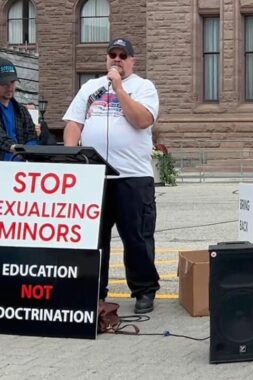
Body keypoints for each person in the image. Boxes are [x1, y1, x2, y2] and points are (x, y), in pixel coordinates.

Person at [63, 38, 160, 313]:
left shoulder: (143, 87)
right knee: (94, 238)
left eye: (122, 56)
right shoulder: (90, 87)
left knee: (137, 236)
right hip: (95, 177)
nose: (116, 59)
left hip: (132, 177)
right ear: (106, 58)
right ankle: (95, 290)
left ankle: (144, 290)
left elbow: (142, 120)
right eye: (112, 55)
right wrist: (71, 158)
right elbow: (74, 123)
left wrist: (118, 87)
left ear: (132, 61)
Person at [0, 57, 38, 161]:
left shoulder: (22, 111)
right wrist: (15, 148)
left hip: (19, 169)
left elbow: (31, 136)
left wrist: (29, 150)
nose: (10, 87)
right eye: (4, 83)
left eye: (12, 82)